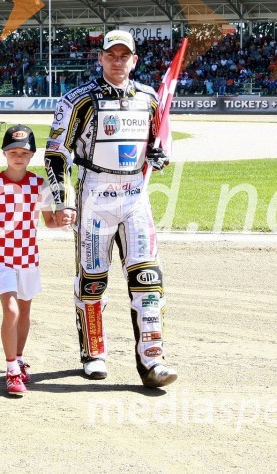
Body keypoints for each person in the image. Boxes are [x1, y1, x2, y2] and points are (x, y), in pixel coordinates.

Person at [44, 29, 178, 388]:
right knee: (93, 280)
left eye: (124, 56)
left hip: (135, 196)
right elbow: (56, 153)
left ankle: (153, 362)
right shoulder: (79, 100)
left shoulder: (149, 98)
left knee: (148, 278)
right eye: (111, 55)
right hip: (95, 197)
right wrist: (62, 200)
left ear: (134, 60)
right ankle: (94, 354)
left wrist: (159, 156)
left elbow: (159, 143)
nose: (118, 61)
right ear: (101, 58)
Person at [0, 125, 61, 395]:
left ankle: (20, 358)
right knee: (11, 310)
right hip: (1, 255)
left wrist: (64, 220)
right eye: (13, 152)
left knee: (24, 311)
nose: (18, 157)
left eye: (24, 152)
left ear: (32, 154)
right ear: (4, 153)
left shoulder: (39, 185)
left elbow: (49, 221)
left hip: (27, 255)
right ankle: (11, 369)